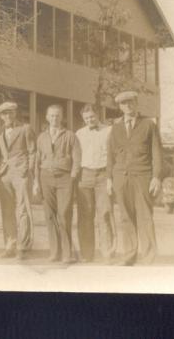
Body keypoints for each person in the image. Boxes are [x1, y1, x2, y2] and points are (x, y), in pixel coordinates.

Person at [106, 90, 163, 266]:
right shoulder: (115, 128)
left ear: (136, 104)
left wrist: (156, 177)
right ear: (120, 107)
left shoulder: (148, 125)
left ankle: (148, 257)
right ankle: (129, 255)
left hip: (142, 176)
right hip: (121, 178)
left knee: (145, 216)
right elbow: (110, 155)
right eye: (124, 104)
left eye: (131, 102)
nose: (128, 106)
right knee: (125, 217)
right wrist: (109, 179)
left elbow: (156, 153)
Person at [35, 104, 81, 264]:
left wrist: (73, 175)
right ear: (47, 118)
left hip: (64, 179)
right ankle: (54, 252)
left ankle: (67, 253)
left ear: (62, 118)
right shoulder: (41, 137)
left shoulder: (70, 135)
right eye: (52, 116)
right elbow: (37, 160)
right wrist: (36, 181)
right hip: (45, 177)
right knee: (49, 216)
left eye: (58, 115)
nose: (55, 118)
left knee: (64, 214)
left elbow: (77, 158)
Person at [0, 101, 36, 261]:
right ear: (1, 116)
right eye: (4, 114)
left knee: (23, 209)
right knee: (7, 211)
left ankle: (23, 247)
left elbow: (33, 151)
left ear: (15, 113)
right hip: (4, 175)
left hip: (21, 172)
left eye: (10, 112)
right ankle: (9, 245)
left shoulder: (25, 128)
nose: (7, 116)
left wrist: (27, 170)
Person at [75, 104, 116, 263]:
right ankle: (87, 253)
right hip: (84, 176)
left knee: (104, 214)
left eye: (92, 117)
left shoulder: (109, 131)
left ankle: (107, 251)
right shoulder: (79, 133)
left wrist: (110, 178)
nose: (89, 120)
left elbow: (113, 155)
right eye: (86, 118)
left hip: (103, 175)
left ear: (97, 115)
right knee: (85, 215)